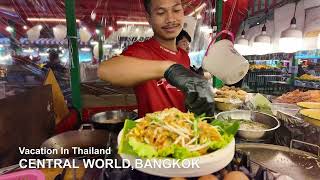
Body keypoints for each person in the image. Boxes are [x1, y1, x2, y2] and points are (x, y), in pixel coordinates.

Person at [98, 0, 214, 118]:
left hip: (184, 131)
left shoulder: (184, 56)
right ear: (149, 17)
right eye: (160, 12)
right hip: (151, 133)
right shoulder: (142, 51)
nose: (171, 19)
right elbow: (105, 70)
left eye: (176, 10)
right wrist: (168, 68)